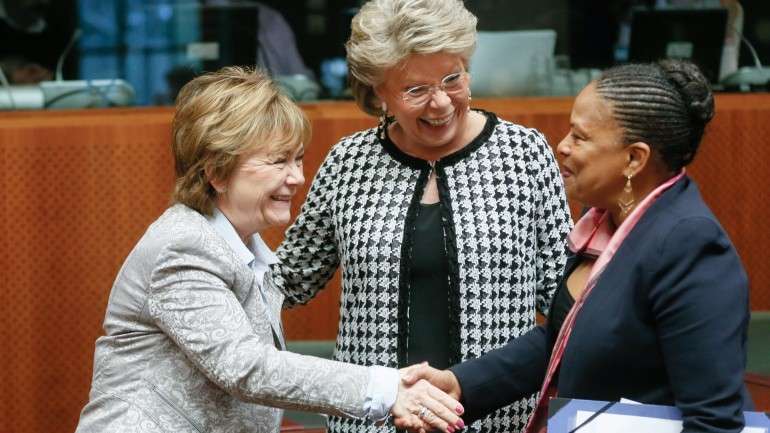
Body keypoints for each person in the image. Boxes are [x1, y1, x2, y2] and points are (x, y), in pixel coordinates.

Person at [74, 67, 465, 433]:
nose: (297, 178)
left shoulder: (245, 248)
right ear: (217, 172)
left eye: (297, 159)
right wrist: (386, 388)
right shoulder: (184, 248)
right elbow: (246, 368)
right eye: (278, 161)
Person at [403, 60, 752, 433]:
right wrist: (460, 384)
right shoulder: (603, 220)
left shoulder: (690, 245)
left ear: (634, 158)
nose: (562, 146)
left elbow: (714, 423)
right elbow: (565, 336)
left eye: (580, 137)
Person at [271, 1, 572, 432]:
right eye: (415, 90)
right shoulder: (348, 163)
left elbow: (563, 299)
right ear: (379, 92)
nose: (441, 103)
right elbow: (288, 279)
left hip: (497, 419)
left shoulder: (523, 154)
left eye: (454, 79)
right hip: (372, 421)